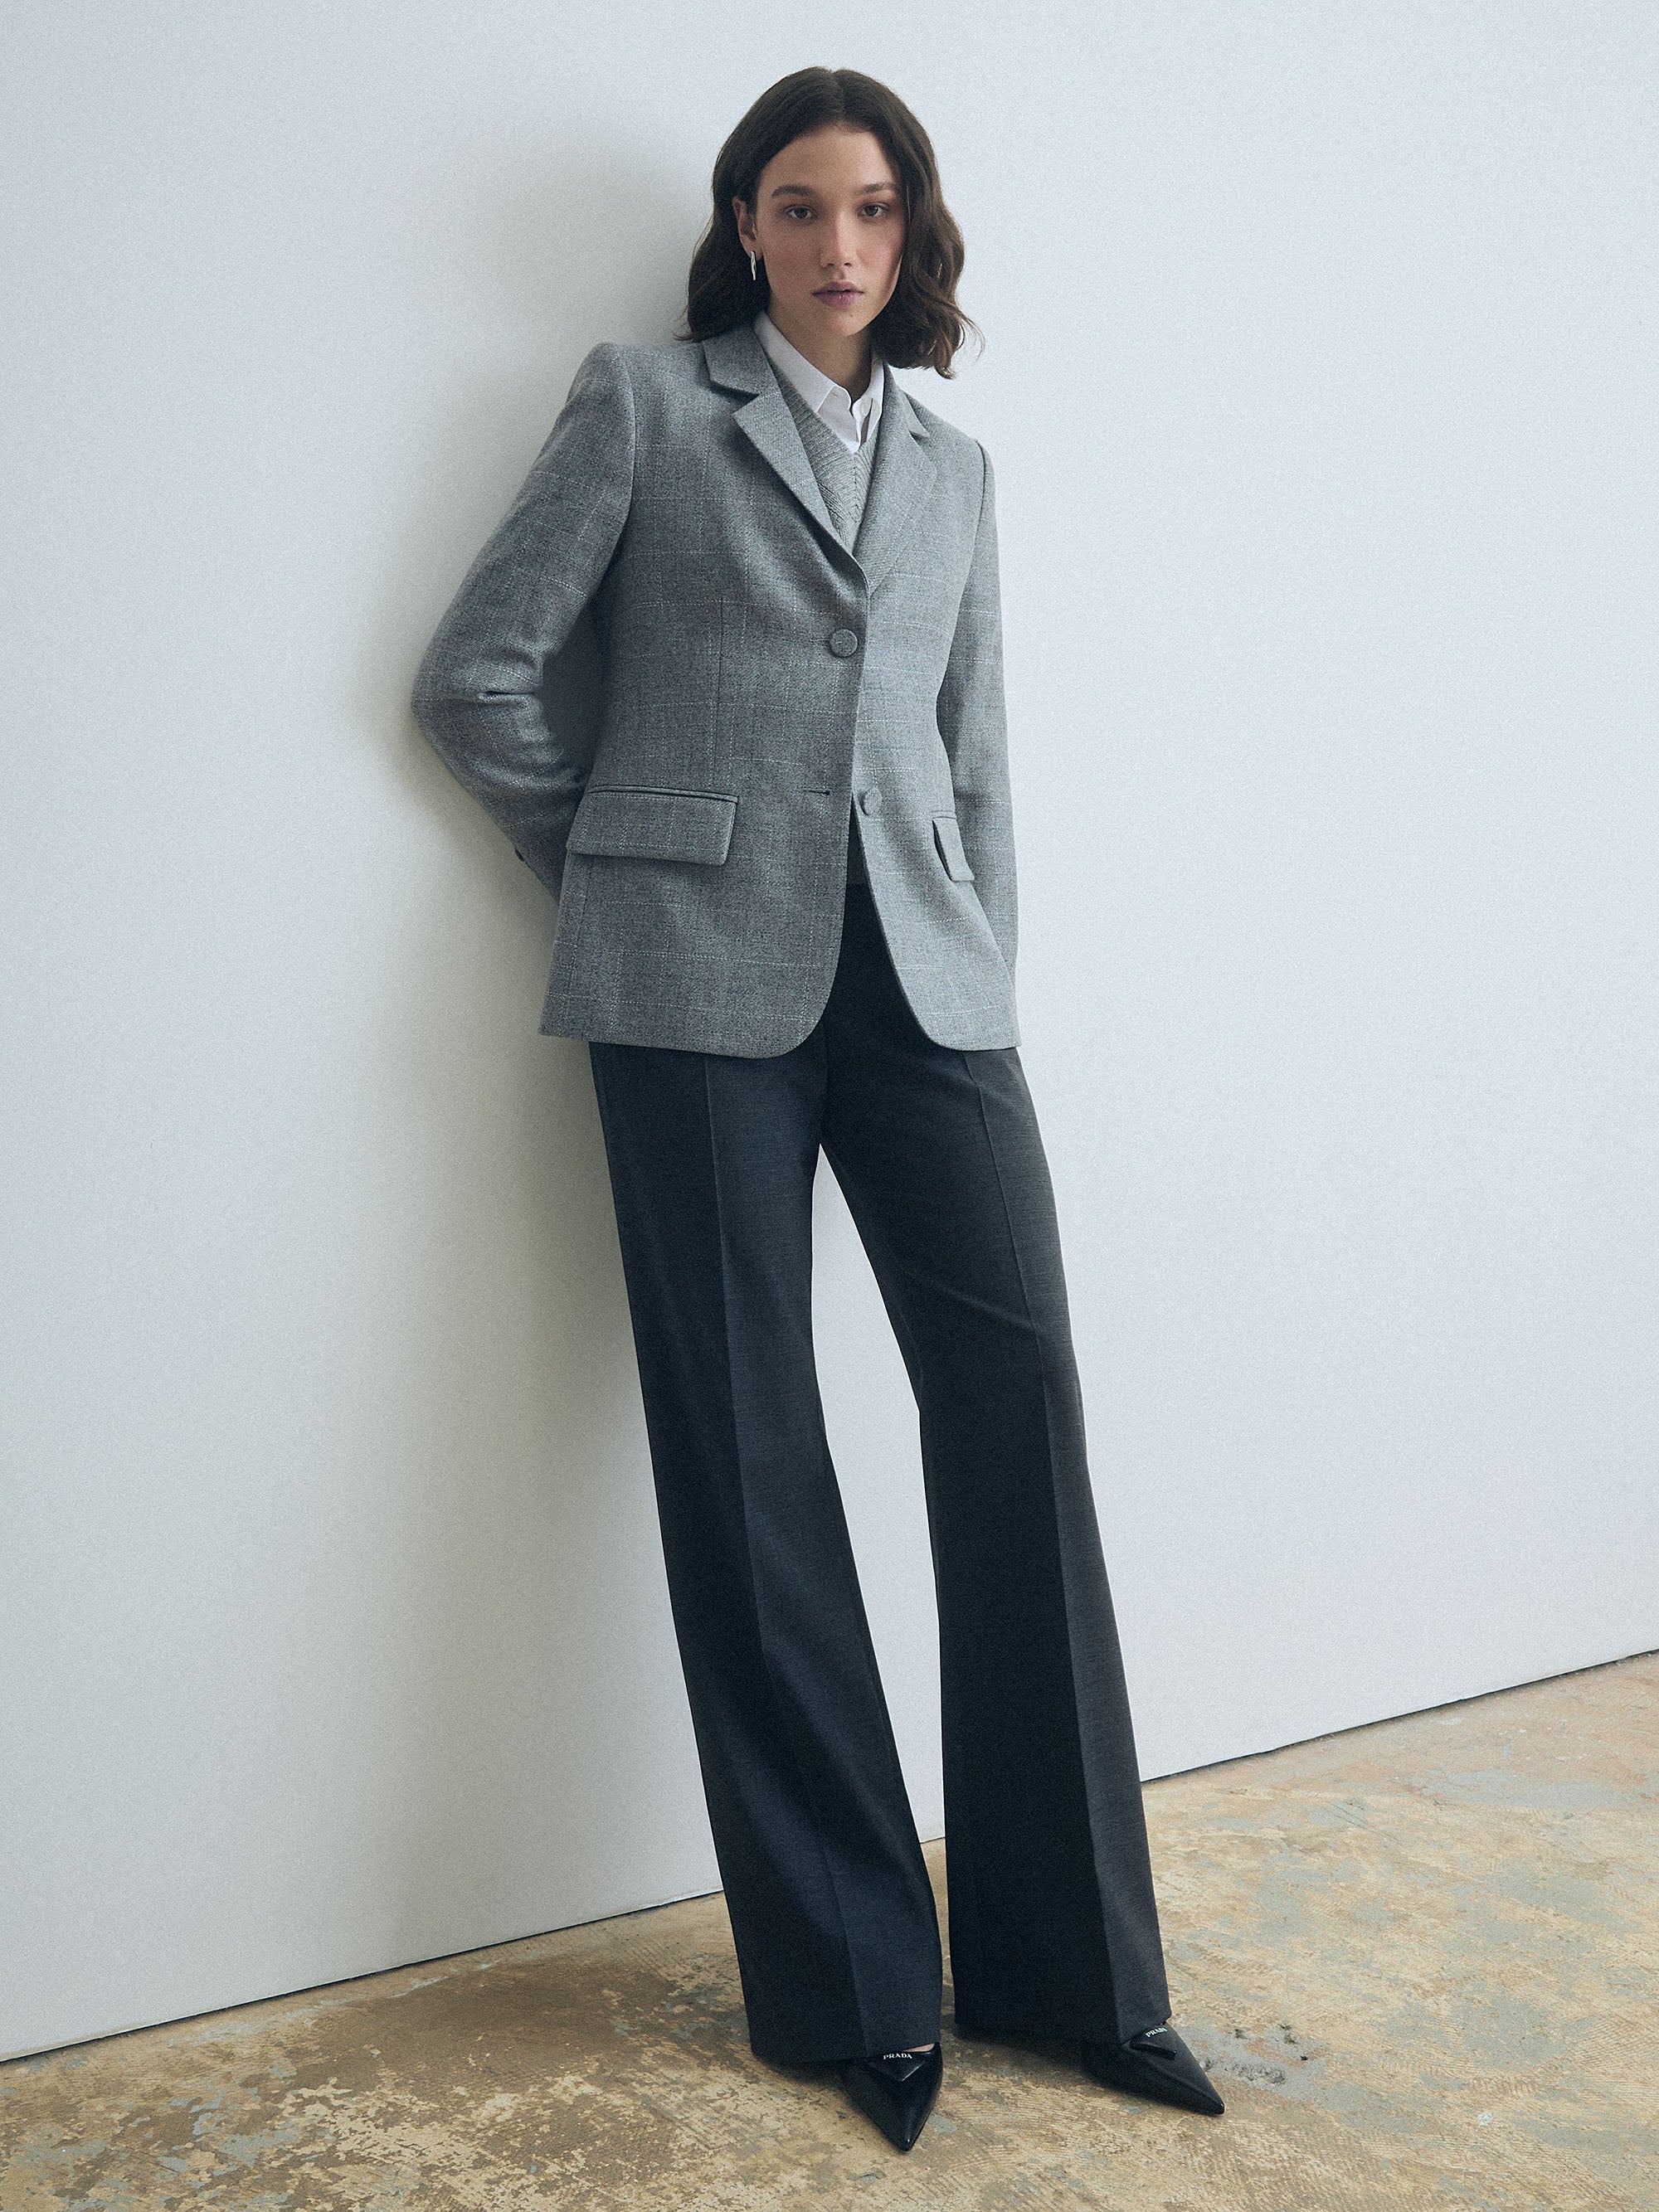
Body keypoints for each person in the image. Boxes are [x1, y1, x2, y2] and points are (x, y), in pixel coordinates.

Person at [411, 64, 1223, 2156]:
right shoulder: (646, 405)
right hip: (693, 994)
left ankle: (1074, 1972)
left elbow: (977, 752)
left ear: (912, 229)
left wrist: (985, 966)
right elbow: (475, 671)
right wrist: (626, 865)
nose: (836, 243)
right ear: (743, 225)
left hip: (926, 991)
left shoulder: (954, 464)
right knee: (750, 1449)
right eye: (797, 206)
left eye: (870, 208)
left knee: (1016, 1405)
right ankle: (853, 1981)